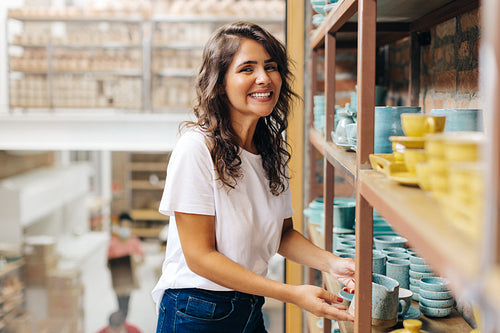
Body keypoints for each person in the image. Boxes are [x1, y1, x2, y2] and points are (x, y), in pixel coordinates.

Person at [152, 21, 356, 332]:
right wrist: (292, 294)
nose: (264, 78)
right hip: (196, 310)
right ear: (220, 84)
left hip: (249, 303)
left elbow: (282, 235)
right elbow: (199, 257)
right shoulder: (196, 149)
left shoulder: (270, 150)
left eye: (270, 67)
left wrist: (333, 264)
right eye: (247, 69)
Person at [107, 212, 145, 319]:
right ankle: (121, 322)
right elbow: (108, 262)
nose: (125, 228)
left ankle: (123, 323)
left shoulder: (134, 242)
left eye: (127, 226)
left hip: (130, 278)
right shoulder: (113, 243)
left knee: (126, 305)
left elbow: (142, 259)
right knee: (120, 304)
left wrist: (135, 260)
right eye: (123, 226)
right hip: (118, 278)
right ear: (119, 226)